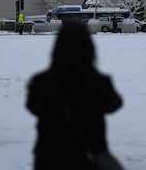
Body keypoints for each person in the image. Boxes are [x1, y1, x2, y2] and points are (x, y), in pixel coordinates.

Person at [26, 21, 123, 170]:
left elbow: (32, 107)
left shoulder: (42, 82)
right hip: (88, 155)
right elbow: (114, 105)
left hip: (50, 157)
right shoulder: (99, 82)